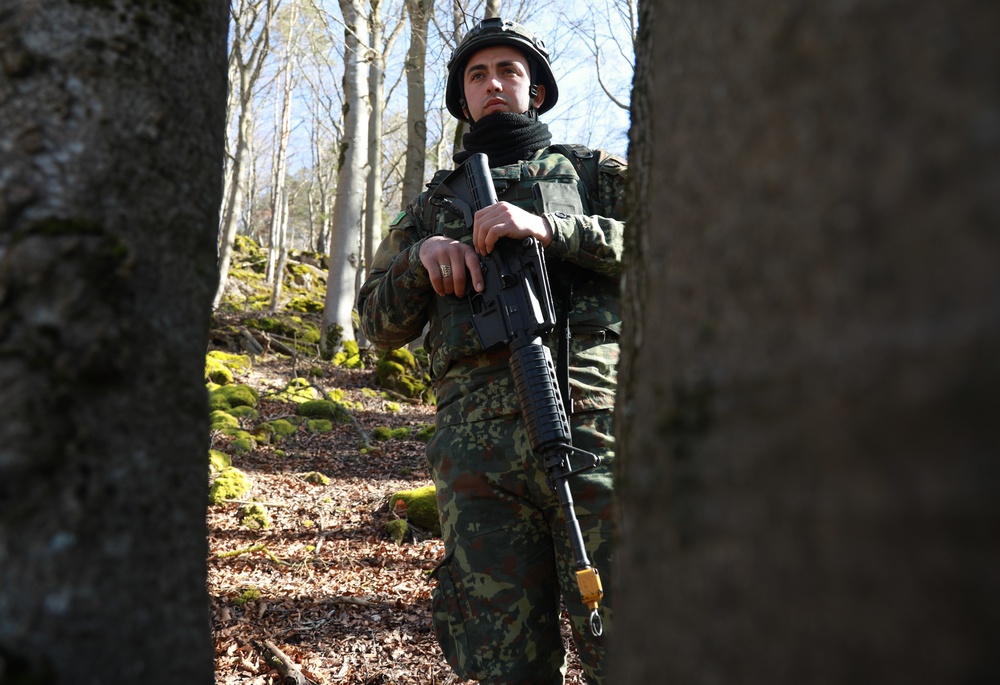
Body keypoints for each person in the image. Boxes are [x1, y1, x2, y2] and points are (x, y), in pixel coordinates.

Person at [358, 17, 626, 685]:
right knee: (504, 662)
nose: (493, 83)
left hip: (593, 436)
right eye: (477, 75)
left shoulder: (590, 174)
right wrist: (421, 258)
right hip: (477, 467)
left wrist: (552, 227)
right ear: (464, 98)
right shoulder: (428, 209)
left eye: (508, 71)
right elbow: (375, 322)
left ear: (535, 90)